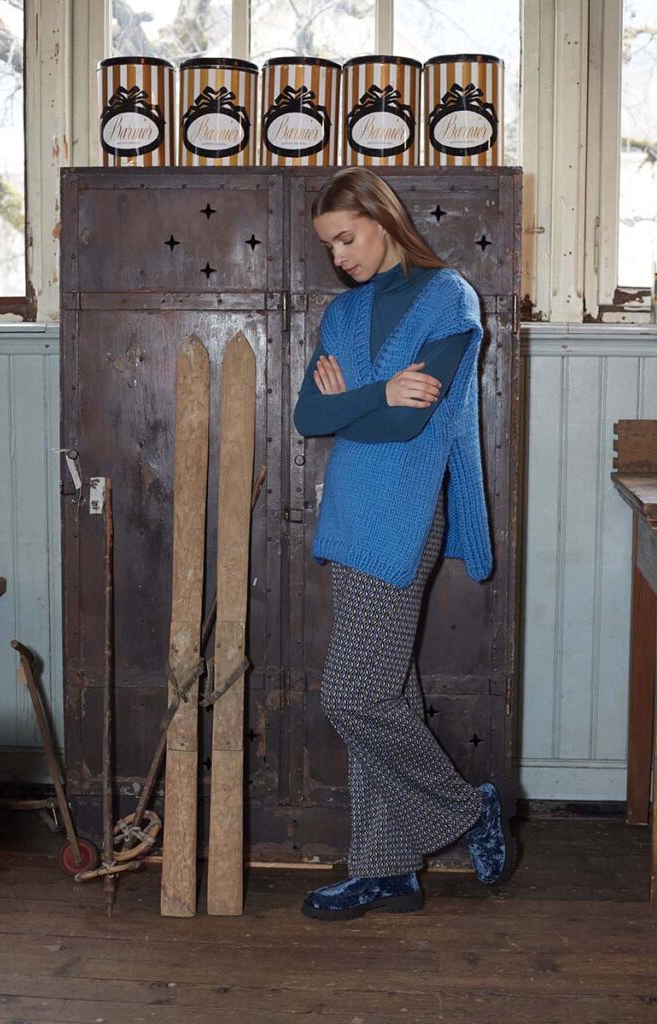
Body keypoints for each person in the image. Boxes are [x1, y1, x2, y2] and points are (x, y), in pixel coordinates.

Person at [294, 167, 516, 923]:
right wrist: (378, 393)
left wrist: (354, 403)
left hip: (405, 513)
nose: (339, 257)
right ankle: (386, 870)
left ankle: (465, 810)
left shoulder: (448, 298)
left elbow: (411, 421)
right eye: (328, 246)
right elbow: (307, 416)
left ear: (382, 219)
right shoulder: (344, 312)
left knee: (352, 696)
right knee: (385, 693)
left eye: (345, 238)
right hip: (349, 512)